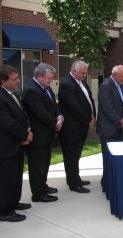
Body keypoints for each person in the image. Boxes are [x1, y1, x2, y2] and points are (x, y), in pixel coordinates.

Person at [22, 63, 63, 203]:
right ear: (39, 76)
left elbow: (54, 105)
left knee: (45, 162)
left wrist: (59, 116)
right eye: (48, 78)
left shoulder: (46, 87)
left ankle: (43, 186)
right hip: (38, 134)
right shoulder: (31, 90)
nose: (50, 81)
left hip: (47, 133)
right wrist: (55, 123)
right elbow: (40, 112)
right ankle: (38, 194)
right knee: (37, 165)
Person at [0, 65, 33, 222]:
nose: (18, 82)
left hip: (17, 143)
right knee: (7, 179)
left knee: (16, 176)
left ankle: (13, 202)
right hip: (6, 147)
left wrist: (27, 130)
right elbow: (7, 122)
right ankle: (5, 211)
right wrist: (25, 134)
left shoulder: (11, 94)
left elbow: (20, 115)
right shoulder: (1, 96)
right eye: (14, 79)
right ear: (3, 80)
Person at [58, 60, 96, 193]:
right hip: (72, 128)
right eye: (83, 73)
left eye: (85, 72)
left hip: (81, 126)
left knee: (76, 154)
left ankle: (76, 178)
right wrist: (87, 120)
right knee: (71, 157)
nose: (85, 75)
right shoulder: (66, 84)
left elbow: (89, 100)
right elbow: (74, 107)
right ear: (74, 71)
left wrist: (93, 115)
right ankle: (74, 183)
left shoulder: (81, 82)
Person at [97, 65, 123, 187]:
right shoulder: (106, 86)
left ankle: (115, 182)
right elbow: (107, 108)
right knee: (108, 158)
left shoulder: (120, 85)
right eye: (122, 76)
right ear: (114, 74)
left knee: (116, 158)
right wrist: (119, 120)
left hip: (119, 128)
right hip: (108, 129)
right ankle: (107, 184)